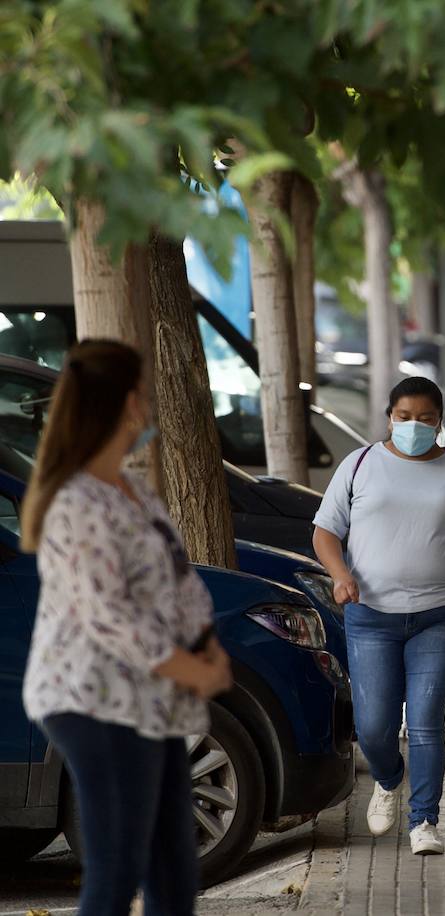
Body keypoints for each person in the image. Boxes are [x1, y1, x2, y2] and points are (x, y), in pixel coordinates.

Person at [19, 339, 234, 916]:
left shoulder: (135, 491)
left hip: (149, 700)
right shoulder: (75, 502)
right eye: (145, 393)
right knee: (115, 871)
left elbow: (180, 580)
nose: (151, 407)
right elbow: (106, 612)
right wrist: (186, 665)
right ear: (126, 402)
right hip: (92, 700)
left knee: (173, 871)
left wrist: (208, 647)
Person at [312, 376, 445, 856]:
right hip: (370, 615)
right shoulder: (359, 466)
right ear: (389, 417)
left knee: (424, 722)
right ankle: (388, 778)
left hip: (442, 613)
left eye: (425, 418)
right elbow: (324, 533)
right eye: (405, 417)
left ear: (440, 421)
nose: (414, 426)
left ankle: (424, 820)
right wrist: (340, 574)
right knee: (375, 725)